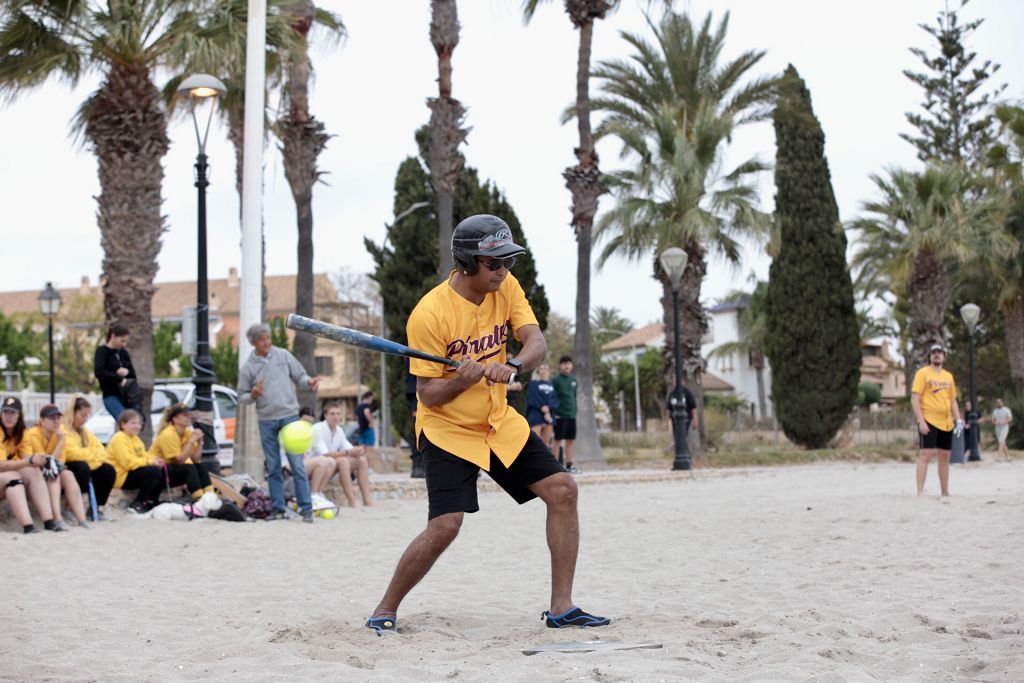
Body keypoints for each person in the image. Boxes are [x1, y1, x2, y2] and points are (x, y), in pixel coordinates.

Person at [367, 214, 609, 634]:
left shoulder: (506, 287)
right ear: (465, 263)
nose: (502, 271)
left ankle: (562, 608)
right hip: (448, 429)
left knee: (563, 490)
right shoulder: (429, 314)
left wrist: (511, 364)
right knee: (446, 525)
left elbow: (536, 341)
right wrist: (461, 378)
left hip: (498, 420)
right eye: (493, 263)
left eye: (507, 262)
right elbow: (428, 394)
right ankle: (385, 608)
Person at [237, 322, 319, 522]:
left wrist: (308, 382)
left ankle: (306, 508)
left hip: (290, 415)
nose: (267, 342)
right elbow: (242, 396)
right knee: (273, 466)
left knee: (297, 465)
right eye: (262, 339)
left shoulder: (282, 355)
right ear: (253, 342)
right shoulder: (248, 367)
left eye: (268, 337)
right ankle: (277, 509)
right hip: (266, 419)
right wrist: (253, 394)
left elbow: (299, 376)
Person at [24, 404, 89, 529]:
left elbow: (61, 460)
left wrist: (57, 462)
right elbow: (45, 462)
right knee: (53, 475)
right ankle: (57, 518)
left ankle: (81, 519)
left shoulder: (60, 433)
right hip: (36, 473)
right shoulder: (34, 434)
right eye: (51, 418)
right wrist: (60, 443)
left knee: (68, 474)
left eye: (58, 418)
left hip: (51, 469)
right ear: (42, 421)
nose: (56, 421)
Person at [911, 343, 963, 496]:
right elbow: (914, 399)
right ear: (930, 356)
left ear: (944, 356)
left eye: (939, 352)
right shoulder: (922, 373)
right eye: (934, 352)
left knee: (945, 457)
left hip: (946, 423)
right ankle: (920, 492)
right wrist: (921, 420)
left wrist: (958, 420)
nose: (936, 354)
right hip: (929, 420)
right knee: (925, 455)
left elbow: (953, 400)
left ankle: (945, 492)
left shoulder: (948, 376)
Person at [1, 396, 57, 532]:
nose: (8, 416)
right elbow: (2, 465)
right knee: (13, 477)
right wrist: (29, 460)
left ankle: (49, 521)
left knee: (34, 471)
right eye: (5, 412)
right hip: (5, 475)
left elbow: (27, 459)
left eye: (12, 413)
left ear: (19, 415)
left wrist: (40, 461)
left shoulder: (22, 432)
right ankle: (28, 526)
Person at [61, 396, 117, 521]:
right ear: (73, 413)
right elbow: (72, 454)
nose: (85, 419)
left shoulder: (83, 431)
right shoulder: (63, 430)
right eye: (82, 415)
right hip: (67, 466)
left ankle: (96, 508)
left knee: (108, 470)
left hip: (86, 464)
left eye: (87, 415)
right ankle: (69, 507)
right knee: (82, 467)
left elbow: (102, 451)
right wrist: (93, 454)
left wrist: (90, 455)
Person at [150, 404, 216, 502]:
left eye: (189, 415)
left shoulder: (187, 432)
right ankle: (199, 500)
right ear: (175, 419)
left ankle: (210, 496)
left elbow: (196, 459)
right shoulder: (168, 434)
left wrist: (200, 441)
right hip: (157, 472)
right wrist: (191, 441)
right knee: (189, 468)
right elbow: (179, 460)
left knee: (199, 465)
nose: (189, 417)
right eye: (185, 415)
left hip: (172, 469)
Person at [312, 401, 372, 508]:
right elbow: (324, 454)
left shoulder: (339, 430)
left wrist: (358, 451)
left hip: (332, 465)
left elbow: (348, 448)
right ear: (325, 415)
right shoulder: (318, 428)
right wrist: (348, 452)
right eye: (332, 414)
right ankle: (352, 500)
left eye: (338, 414)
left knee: (361, 460)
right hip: (319, 466)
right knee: (343, 460)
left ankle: (367, 499)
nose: (336, 417)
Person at [107, 409, 164, 512]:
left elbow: (143, 456)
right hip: (120, 476)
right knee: (153, 471)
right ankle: (139, 502)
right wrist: (149, 462)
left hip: (130, 472)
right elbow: (127, 463)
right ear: (123, 424)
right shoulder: (119, 439)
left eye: (139, 423)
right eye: (133, 423)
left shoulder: (135, 439)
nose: (137, 426)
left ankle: (152, 500)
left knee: (161, 469)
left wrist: (155, 460)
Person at [93, 323, 138, 420]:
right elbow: (99, 372)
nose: (123, 344)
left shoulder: (123, 353)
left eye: (125, 342)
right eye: (121, 341)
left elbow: (132, 374)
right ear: (113, 336)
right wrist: (118, 378)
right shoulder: (102, 352)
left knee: (132, 421)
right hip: (111, 394)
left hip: (126, 395)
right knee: (125, 420)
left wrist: (126, 372)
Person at [550, 356, 578, 472]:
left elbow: (574, 396)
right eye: (564, 364)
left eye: (569, 364)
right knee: (557, 440)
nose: (567, 366)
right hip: (560, 415)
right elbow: (552, 397)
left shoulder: (574, 380)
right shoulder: (555, 380)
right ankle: (555, 466)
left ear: (571, 366)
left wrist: (575, 410)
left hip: (571, 415)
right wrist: (554, 413)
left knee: (570, 440)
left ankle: (570, 465)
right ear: (560, 366)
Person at [525, 362, 559, 449]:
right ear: (538, 371)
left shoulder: (551, 385)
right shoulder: (533, 384)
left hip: (549, 416)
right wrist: (543, 408)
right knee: (534, 441)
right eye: (542, 368)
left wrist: (548, 408)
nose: (544, 371)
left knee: (546, 442)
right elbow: (533, 398)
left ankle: (544, 462)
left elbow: (555, 399)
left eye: (546, 369)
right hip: (536, 415)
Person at [355, 390, 376, 459]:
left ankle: (362, 466)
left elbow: (357, 418)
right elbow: (366, 412)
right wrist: (371, 422)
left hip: (361, 430)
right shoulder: (367, 406)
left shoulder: (358, 407)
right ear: (369, 398)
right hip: (368, 430)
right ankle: (369, 468)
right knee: (369, 451)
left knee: (362, 450)